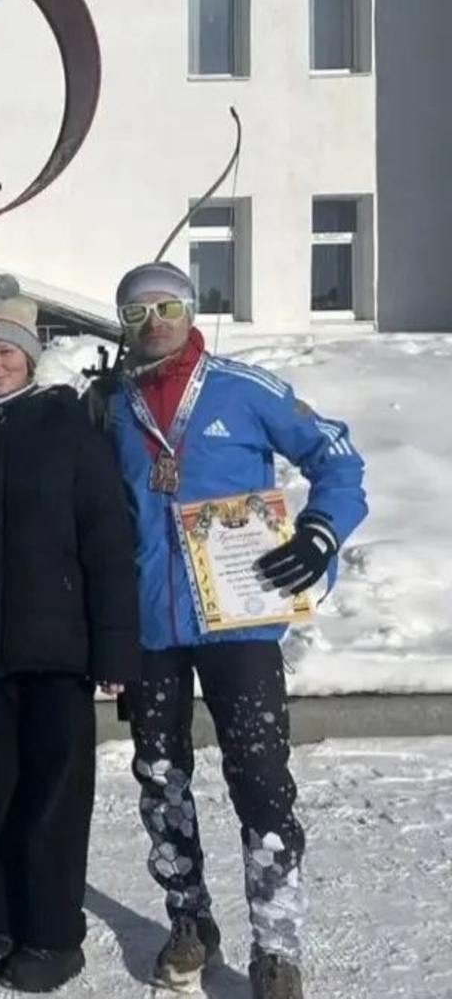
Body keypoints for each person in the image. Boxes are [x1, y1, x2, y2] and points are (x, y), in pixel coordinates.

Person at [101, 261, 367, 999]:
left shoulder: (244, 388)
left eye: (169, 306)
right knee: (160, 780)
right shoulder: (112, 406)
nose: (153, 321)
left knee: (259, 780)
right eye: (135, 312)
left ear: (193, 311)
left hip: (240, 621)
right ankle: (191, 923)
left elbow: (335, 455)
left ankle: (277, 945)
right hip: (152, 628)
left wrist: (320, 530)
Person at [0, 276, 140, 992]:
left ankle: (54, 937)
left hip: (59, 654)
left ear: (29, 355)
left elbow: (108, 544)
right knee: (2, 791)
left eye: (5, 350)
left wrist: (115, 647)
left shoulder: (73, 432)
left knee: (54, 797)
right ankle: (5, 920)